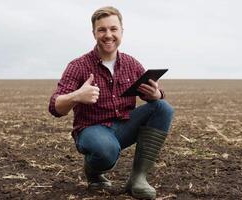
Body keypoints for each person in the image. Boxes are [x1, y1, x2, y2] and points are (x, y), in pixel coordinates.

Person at [48, 6, 174, 199]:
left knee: (162, 108)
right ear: (94, 33)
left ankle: (138, 179)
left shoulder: (132, 64)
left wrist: (156, 94)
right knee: (106, 151)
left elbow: (153, 95)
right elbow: (55, 107)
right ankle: (93, 170)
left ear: (121, 31)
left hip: (124, 126)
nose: (108, 35)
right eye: (102, 30)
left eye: (113, 29)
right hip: (91, 130)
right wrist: (76, 96)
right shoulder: (78, 66)